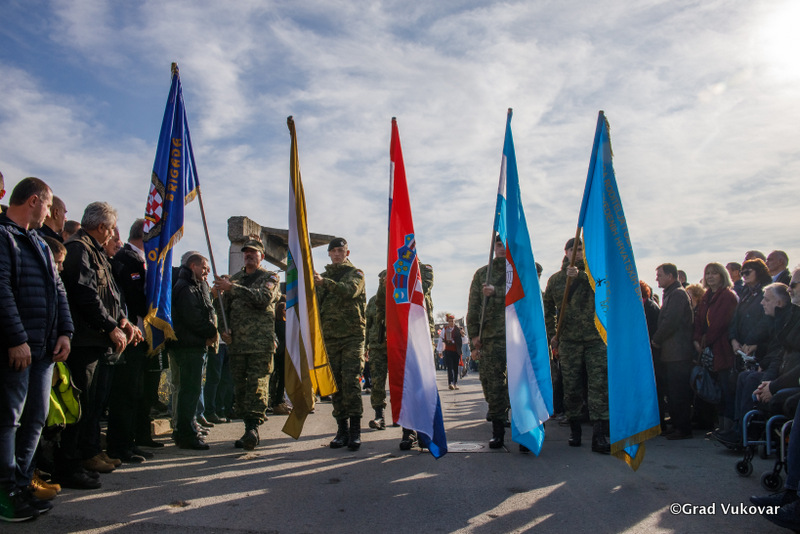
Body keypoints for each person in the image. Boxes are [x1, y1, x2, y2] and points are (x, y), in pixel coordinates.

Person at [1, 177, 73, 522]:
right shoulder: (4, 237)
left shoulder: (40, 244)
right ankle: (5, 491)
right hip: (18, 348)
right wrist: (15, 338)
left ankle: (22, 482)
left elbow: (59, 291)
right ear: (33, 201)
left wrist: (65, 332)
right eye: (47, 205)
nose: (49, 212)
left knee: (35, 418)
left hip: (44, 350)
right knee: (9, 420)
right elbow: (1, 289)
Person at [56, 201, 140, 489]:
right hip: (83, 341)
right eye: (112, 228)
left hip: (96, 340)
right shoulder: (78, 248)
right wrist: (110, 326)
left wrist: (122, 321)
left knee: (92, 405)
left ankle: (86, 455)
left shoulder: (96, 251)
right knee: (79, 407)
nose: (114, 233)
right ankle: (70, 465)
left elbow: (111, 296)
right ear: (102, 226)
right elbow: (85, 294)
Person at [543, 238, 610, 454]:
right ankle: (575, 430)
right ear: (566, 252)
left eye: (580, 249)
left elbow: (606, 294)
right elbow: (547, 308)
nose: (577, 252)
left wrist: (581, 275)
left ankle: (599, 435)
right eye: (572, 249)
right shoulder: (556, 280)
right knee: (571, 387)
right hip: (569, 341)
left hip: (595, 339)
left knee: (598, 385)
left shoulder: (596, 275)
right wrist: (553, 334)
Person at [213, 237, 280, 450]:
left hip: (260, 344)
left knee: (257, 385)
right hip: (238, 345)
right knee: (240, 388)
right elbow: (222, 309)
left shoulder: (270, 277)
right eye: (246, 252)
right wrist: (223, 330)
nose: (249, 255)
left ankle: (253, 427)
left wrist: (232, 288)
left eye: (253, 252)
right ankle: (247, 428)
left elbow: (264, 298)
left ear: (262, 256)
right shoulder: (235, 279)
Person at [714, 283, 800, 448]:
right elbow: (779, 353)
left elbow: (780, 353)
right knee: (745, 376)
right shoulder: (780, 319)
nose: (762, 303)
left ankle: (747, 432)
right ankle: (739, 427)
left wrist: (770, 384)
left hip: (787, 376)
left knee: (752, 379)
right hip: (780, 370)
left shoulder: (787, 320)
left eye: (766, 300)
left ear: (779, 303)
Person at [106, 219, 158, 462]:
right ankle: (120, 446)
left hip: (140, 334)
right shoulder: (126, 258)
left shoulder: (142, 260)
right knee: (125, 393)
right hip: (128, 334)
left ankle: (131, 441)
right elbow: (131, 297)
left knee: (137, 392)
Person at [314, 237, 367, 451]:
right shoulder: (321, 278)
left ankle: (355, 431)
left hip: (352, 336)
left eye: (340, 250)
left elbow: (349, 290)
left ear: (347, 253)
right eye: (333, 251)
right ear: (328, 253)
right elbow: (315, 306)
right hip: (330, 338)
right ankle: (342, 430)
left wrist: (324, 283)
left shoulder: (356, 273)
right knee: (335, 383)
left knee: (351, 382)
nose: (337, 254)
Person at [467, 235, 510, 449]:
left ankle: (523, 428)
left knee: (519, 383)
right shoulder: (483, 273)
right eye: (499, 244)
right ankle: (498, 431)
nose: (502, 248)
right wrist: (474, 335)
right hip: (491, 338)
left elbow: (526, 297)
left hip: (516, 337)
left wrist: (497, 291)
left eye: (505, 244)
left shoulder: (519, 271)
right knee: (493, 384)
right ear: (494, 247)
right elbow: (473, 305)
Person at [171, 254, 218, 450]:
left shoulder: (196, 286)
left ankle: (186, 430)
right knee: (189, 391)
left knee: (191, 390)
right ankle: (186, 434)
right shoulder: (185, 287)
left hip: (195, 345)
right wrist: (211, 332)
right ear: (193, 266)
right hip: (189, 346)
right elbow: (193, 318)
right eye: (204, 267)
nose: (207, 271)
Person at [692, 262, 738, 432]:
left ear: (722, 276)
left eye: (714, 273)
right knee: (714, 390)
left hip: (722, 350)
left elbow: (719, 324)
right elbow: (698, 321)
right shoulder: (706, 296)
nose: (710, 276)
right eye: (708, 273)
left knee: (725, 390)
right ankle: (719, 427)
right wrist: (697, 339)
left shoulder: (727, 296)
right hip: (708, 351)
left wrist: (704, 342)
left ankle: (728, 428)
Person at [651, 264, 694, 440]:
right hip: (671, 353)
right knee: (672, 391)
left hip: (678, 353)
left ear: (670, 276)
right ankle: (676, 424)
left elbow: (670, 322)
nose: (657, 279)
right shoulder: (671, 293)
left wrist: (656, 340)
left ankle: (683, 428)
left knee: (678, 392)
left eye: (660, 275)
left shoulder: (677, 294)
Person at [729, 259, 773, 367]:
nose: (744, 276)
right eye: (742, 273)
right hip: (741, 349)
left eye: (747, 272)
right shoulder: (746, 292)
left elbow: (767, 320)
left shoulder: (769, 291)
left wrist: (751, 342)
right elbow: (735, 318)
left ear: (759, 271)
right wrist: (733, 340)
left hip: (759, 349)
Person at [366, 271, 388, 430]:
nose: (384, 282)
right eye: (381, 280)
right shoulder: (373, 301)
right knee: (377, 383)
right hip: (377, 347)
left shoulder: (400, 298)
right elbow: (367, 325)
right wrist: (365, 346)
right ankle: (379, 416)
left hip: (395, 346)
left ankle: (401, 416)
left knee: (399, 383)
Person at [442, 314, 463, 390]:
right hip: (448, 351)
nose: (451, 322)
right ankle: (450, 383)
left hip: (456, 351)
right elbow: (441, 340)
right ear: (448, 322)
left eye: (453, 321)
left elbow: (464, 340)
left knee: (455, 368)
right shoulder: (445, 329)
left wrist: (462, 335)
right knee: (450, 367)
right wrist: (440, 351)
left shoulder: (458, 329)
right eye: (450, 321)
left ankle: (455, 383)